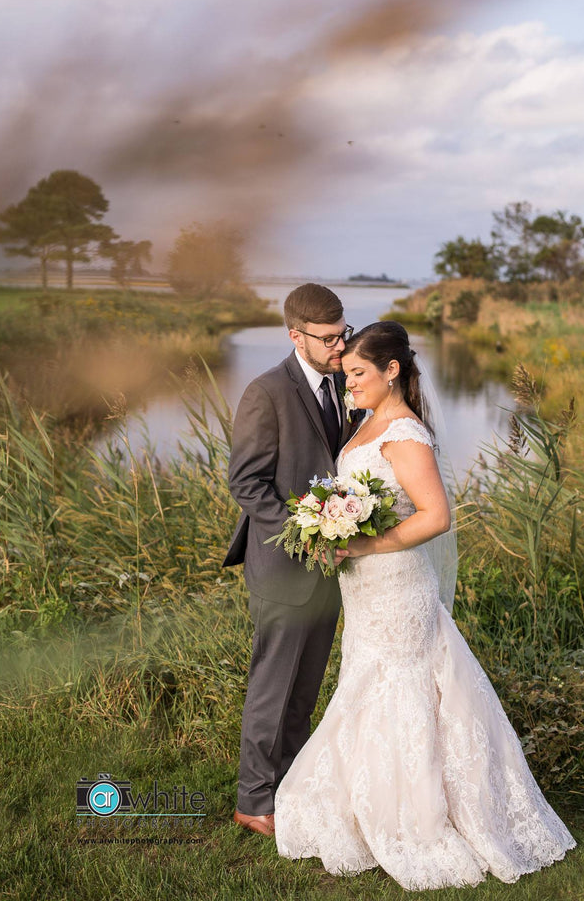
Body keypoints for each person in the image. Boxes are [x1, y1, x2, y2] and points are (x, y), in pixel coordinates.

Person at [275, 321, 576, 890]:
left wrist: (359, 541)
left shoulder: (405, 435)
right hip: (366, 585)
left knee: (402, 687)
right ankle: (369, 804)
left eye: (358, 375)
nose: (349, 387)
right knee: (367, 680)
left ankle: (418, 815)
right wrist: (329, 525)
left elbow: (434, 516)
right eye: (344, 377)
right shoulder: (369, 424)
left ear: (392, 371)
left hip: (397, 586)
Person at [224, 283, 359, 836]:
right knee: (272, 688)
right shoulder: (266, 392)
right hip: (285, 568)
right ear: (294, 335)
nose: (338, 346)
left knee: (305, 690)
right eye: (327, 339)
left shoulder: (345, 385)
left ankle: (292, 788)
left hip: (334, 568)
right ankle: (252, 801)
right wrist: (306, 535)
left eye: (342, 334)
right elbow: (247, 484)